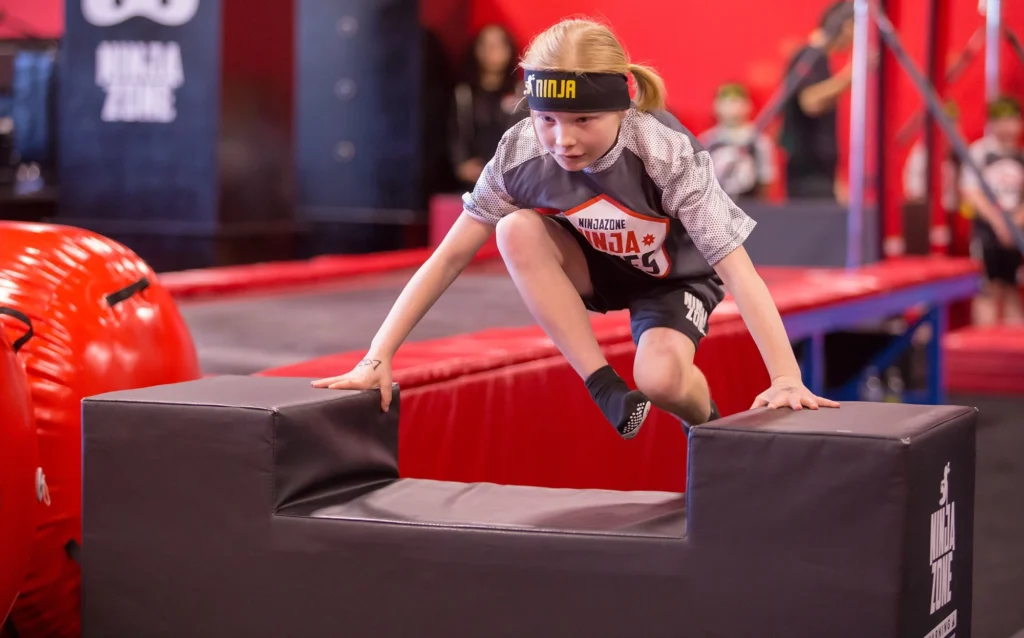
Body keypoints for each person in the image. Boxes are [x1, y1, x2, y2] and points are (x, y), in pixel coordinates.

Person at [313, 17, 839, 439]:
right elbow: (448, 257)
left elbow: (742, 273)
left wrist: (786, 378)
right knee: (513, 229)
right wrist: (375, 358)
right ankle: (602, 384)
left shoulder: (661, 150)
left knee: (661, 379)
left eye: (583, 121)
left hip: (673, 277)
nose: (562, 139)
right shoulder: (519, 151)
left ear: (621, 106)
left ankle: (711, 427)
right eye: (547, 119)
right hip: (594, 266)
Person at [779, 1, 855, 201]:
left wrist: (836, 180)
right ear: (847, 26)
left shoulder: (820, 60)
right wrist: (850, 76)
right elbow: (810, 102)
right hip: (807, 178)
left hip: (822, 176)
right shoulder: (811, 56)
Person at [960, 95, 1024, 325]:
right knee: (987, 287)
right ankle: (983, 349)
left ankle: (1014, 351)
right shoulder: (980, 152)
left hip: (1015, 233)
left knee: (1011, 288)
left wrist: (1015, 221)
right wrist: (998, 222)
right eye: (1002, 120)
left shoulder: (1020, 154)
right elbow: (971, 192)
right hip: (987, 231)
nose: (1008, 126)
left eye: (1013, 119)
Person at [448, 24, 529, 191]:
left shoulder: (522, 92)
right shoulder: (463, 93)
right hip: (472, 180)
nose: (491, 50)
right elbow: (454, 134)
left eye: (498, 44)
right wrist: (461, 164)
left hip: (512, 179)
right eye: (484, 44)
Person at [699, 82, 777, 200]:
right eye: (725, 102)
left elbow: (765, 180)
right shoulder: (706, 141)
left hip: (750, 207)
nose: (731, 107)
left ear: (747, 105)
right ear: (716, 106)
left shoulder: (759, 141)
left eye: (736, 101)